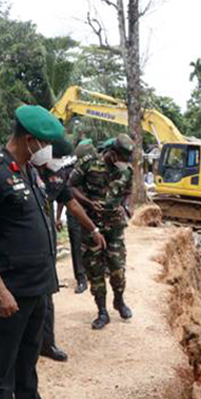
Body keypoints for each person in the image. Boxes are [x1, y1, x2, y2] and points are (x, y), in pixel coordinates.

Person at [0, 105, 64, 399]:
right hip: (11, 288)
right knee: (2, 369)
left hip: (37, 286)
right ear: (29, 140)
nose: (47, 150)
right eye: (45, 144)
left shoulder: (27, 171)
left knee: (28, 362)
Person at [36, 138, 106, 362]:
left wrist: (93, 228)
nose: (57, 162)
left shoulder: (54, 175)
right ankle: (27, 348)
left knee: (47, 295)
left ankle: (47, 343)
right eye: (56, 157)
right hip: (20, 252)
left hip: (46, 242)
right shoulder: (21, 172)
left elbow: (69, 201)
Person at [70, 133, 135, 330]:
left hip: (115, 227)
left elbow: (128, 192)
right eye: (122, 159)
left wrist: (125, 207)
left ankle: (119, 301)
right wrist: (89, 203)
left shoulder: (127, 171)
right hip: (91, 227)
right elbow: (71, 188)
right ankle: (102, 312)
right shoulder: (88, 164)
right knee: (95, 269)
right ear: (113, 154)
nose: (124, 163)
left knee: (117, 268)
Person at [62, 139, 96, 294]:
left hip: (91, 212)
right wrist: (57, 217)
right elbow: (63, 194)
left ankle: (94, 272)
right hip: (74, 212)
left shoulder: (97, 169)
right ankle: (81, 279)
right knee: (76, 245)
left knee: (94, 242)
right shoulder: (69, 170)